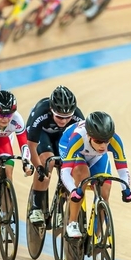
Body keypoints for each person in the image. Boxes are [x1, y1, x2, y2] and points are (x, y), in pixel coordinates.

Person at [59, 111, 131, 238]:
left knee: (104, 192)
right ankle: (72, 223)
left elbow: (122, 169)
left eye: (106, 141)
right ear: (89, 135)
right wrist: (73, 190)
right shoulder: (78, 137)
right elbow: (65, 171)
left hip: (96, 157)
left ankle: (96, 237)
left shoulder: (115, 140)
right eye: (99, 141)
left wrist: (126, 188)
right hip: (72, 148)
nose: (103, 146)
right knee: (83, 175)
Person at [26, 86, 84, 224]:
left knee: (68, 163)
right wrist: (39, 167)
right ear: (51, 110)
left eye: (67, 117)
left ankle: (60, 206)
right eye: (59, 117)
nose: (63, 121)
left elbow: (82, 145)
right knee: (48, 161)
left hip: (62, 136)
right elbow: (31, 146)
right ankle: (36, 207)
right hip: (42, 134)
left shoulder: (78, 117)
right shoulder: (41, 111)